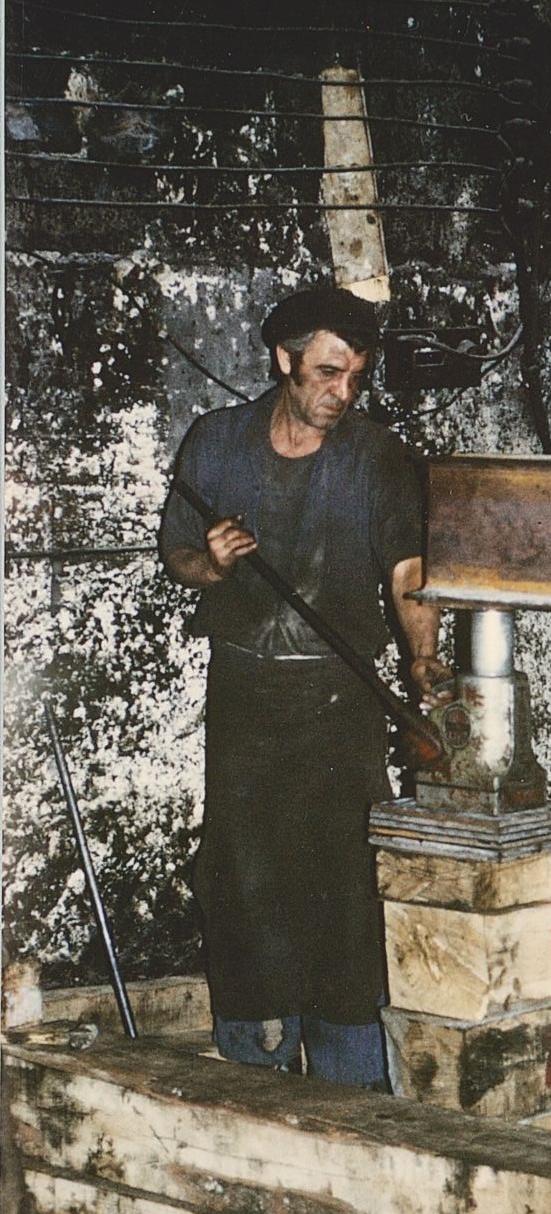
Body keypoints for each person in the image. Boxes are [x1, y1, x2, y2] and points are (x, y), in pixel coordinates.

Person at [159, 284, 450, 1086]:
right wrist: (212, 562)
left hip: (338, 697)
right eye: (327, 372)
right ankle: (256, 1055)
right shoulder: (217, 443)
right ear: (284, 361)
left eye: (355, 377)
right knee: (243, 874)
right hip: (245, 695)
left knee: (344, 882)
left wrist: (422, 658)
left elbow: (408, 569)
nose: (342, 393)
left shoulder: (375, 455)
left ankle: (350, 1068)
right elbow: (178, 555)